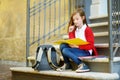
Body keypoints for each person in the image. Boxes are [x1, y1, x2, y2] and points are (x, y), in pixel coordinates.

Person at [60, 8, 98, 73]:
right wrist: (70, 32)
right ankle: (67, 64)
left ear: (83, 18)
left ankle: (82, 65)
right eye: (74, 20)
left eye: (77, 19)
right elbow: (72, 41)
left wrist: (78, 47)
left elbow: (91, 45)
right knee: (62, 46)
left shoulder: (87, 30)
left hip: (86, 52)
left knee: (65, 50)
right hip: (78, 50)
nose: (75, 21)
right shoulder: (75, 30)